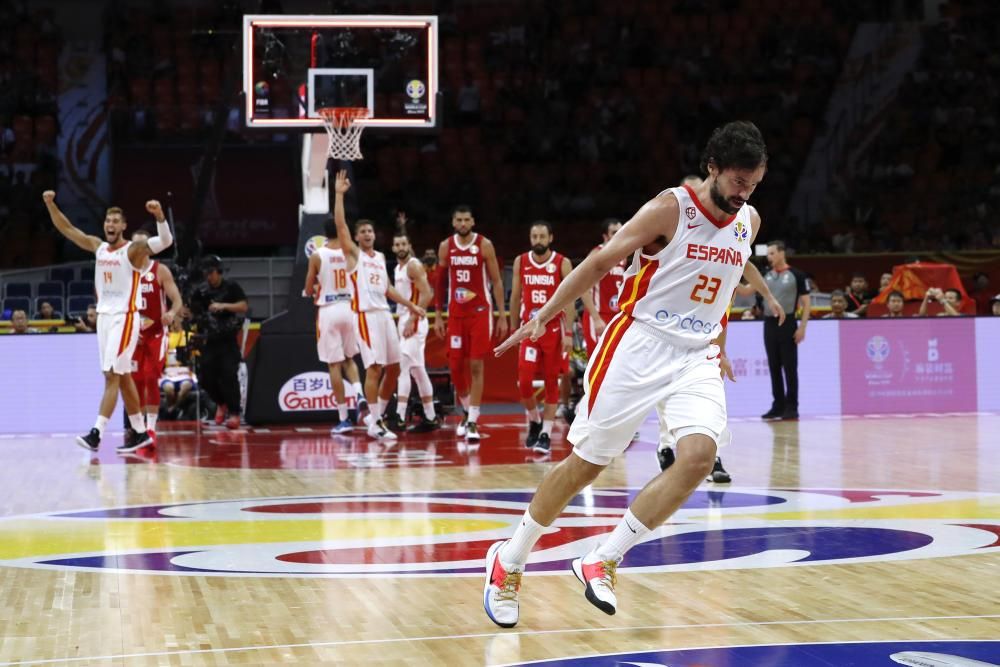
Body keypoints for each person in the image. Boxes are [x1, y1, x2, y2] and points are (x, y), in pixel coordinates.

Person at [483, 120, 782, 628]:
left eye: (753, 185)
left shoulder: (748, 221)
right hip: (639, 344)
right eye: (737, 183)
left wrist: (721, 345)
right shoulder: (671, 208)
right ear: (712, 169)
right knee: (587, 464)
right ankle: (509, 559)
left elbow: (723, 287)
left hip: (696, 355)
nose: (743, 194)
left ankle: (603, 557)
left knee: (698, 458)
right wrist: (545, 314)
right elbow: (600, 263)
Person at [44, 191, 172, 453]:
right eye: (107, 221)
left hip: (124, 317)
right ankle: (139, 432)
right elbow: (66, 228)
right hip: (104, 318)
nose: (110, 225)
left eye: (116, 221)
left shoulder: (133, 250)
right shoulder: (98, 247)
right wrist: (50, 204)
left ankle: (96, 433)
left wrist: (159, 216)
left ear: (124, 226)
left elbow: (166, 241)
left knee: (112, 375)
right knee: (122, 376)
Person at [333, 170, 424, 440]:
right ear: (357, 237)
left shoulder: (380, 257)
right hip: (365, 316)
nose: (367, 234)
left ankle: (378, 415)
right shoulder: (354, 255)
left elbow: (387, 289)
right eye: (363, 231)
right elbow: (340, 226)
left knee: (395, 367)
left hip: (385, 314)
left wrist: (412, 305)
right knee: (374, 368)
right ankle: (373, 423)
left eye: (370, 230)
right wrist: (339, 195)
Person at [433, 205, 508, 444]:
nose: (463, 223)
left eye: (467, 219)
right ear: (454, 223)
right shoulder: (446, 246)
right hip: (455, 314)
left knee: (476, 366)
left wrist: (502, 315)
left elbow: (496, 281)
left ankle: (473, 420)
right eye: (459, 220)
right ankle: (467, 411)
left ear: (472, 221)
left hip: (479, 313)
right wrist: (437, 314)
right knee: (455, 366)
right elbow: (440, 284)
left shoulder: (484, 245)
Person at [508, 221, 574, 454]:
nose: (538, 240)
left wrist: (568, 333)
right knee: (524, 381)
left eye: (542, 236)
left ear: (550, 238)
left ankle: (545, 432)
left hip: (553, 331)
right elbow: (515, 297)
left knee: (550, 382)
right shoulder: (521, 261)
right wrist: (514, 329)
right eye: (534, 236)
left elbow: (569, 299)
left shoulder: (561, 263)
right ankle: (534, 420)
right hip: (529, 331)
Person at [304, 210, 364, 435]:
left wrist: (316, 287)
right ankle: (359, 394)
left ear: (324, 234)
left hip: (329, 310)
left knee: (333, 365)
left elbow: (309, 288)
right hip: (349, 308)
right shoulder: (351, 252)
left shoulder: (318, 255)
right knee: (350, 359)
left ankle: (343, 418)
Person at [126, 227, 182, 443]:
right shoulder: (125, 272)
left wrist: (171, 312)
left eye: (143, 244)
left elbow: (177, 300)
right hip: (132, 335)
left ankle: (151, 428)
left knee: (150, 377)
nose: (139, 248)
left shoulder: (159, 270)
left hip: (157, 333)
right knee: (135, 381)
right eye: (135, 244)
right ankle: (138, 428)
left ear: (150, 247)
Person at [189, 255, 248, 429]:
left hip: (228, 339)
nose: (209, 277)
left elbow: (243, 306)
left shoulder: (231, 287)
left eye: (212, 273)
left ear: (219, 271)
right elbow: (193, 310)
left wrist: (223, 306)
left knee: (229, 374)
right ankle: (221, 404)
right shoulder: (200, 291)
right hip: (209, 339)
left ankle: (235, 413)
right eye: (206, 274)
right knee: (205, 376)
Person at [390, 230, 439, 433]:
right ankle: (430, 417)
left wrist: (412, 318)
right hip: (404, 319)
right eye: (397, 244)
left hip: (415, 320)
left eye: (404, 244)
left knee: (402, 367)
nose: (401, 248)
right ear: (393, 248)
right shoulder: (398, 268)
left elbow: (428, 293)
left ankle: (399, 416)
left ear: (409, 246)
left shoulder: (414, 265)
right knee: (418, 371)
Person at [759, 240, 810, 421]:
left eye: (772, 253)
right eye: (768, 254)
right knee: (773, 367)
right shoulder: (765, 275)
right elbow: (748, 290)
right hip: (769, 324)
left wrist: (802, 327)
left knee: (789, 367)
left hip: (788, 323)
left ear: (781, 253)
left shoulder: (797, 274)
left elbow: (806, 303)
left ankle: (792, 406)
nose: (769, 257)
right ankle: (778, 405)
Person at [580, 219, 625, 357]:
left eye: (621, 231)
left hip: (615, 315)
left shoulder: (622, 256)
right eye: (614, 232)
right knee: (597, 360)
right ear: (605, 236)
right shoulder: (597, 254)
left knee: (615, 361)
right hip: (599, 315)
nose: (619, 235)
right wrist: (596, 318)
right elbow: (582, 288)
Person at [160, 315, 197, 418]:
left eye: (178, 319)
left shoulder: (188, 336)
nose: (175, 322)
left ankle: (173, 409)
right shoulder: (165, 337)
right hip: (168, 373)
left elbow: (197, 352)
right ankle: (172, 409)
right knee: (168, 389)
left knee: (186, 386)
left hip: (184, 373)